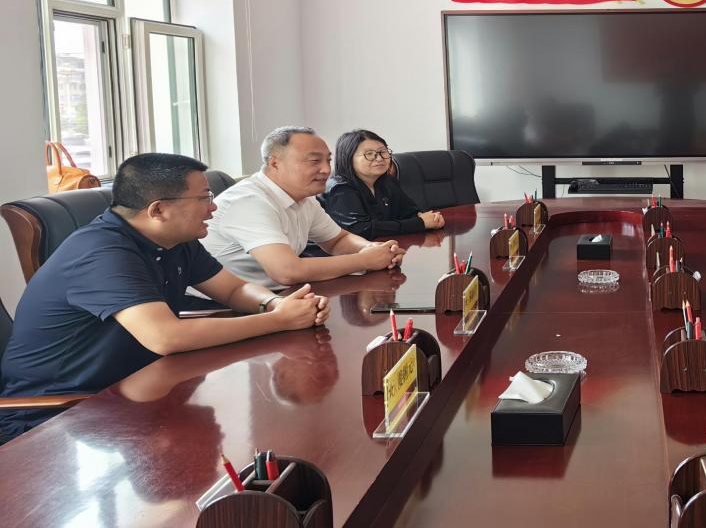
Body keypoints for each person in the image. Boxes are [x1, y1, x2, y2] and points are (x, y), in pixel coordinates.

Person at [0, 153, 329, 439]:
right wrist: (278, 321)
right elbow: (165, 337)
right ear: (158, 210)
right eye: (204, 198)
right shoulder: (101, 252)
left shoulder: (176, 239)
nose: (213, 207)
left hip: (134, 392)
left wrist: (274, 303)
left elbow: (233, 288)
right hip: (56, 416)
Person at [201, 127, 406, 288]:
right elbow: (287, 271)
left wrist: (372, 249)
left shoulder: (304, 198)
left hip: (278, 297)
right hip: (223, 308)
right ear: (275, 163)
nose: (326, 169)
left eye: (328, 160)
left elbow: (337, 240)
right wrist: (364, 261)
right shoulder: (249, 202)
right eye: (314, 161)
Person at [319, 129, 444, 239]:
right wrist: (420, 223)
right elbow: (361, 229)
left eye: (383, 152)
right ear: (348, 158)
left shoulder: (387, 182)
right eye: (369, 154)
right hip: (331, 255)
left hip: (378, 248)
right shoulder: (340, 188)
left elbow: (408, 211)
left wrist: (429, 218)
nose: (379, 158)